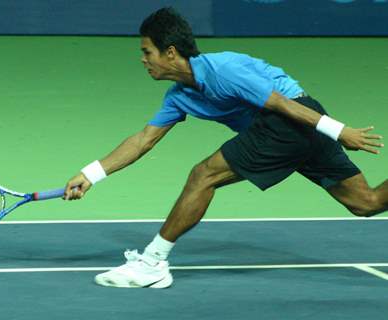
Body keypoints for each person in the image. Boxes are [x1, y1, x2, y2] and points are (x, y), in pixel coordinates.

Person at [63, 7, 387, 288]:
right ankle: (152, 264)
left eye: (148, 51)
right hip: (291, 130)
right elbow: (143, 140)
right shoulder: (179, 96)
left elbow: (280, 103)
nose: (143, 59)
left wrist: (340, 131)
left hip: (291, 119)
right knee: (366, 202)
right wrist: (91, 174)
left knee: (203, 175)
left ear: (171, 52)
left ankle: (152, 263)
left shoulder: (223, 71)